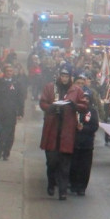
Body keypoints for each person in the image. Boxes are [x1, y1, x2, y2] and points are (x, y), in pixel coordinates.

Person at [39, 62, 87, 200]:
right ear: (59, 76)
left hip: (67, 130)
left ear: (70, 77)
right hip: (52, 128)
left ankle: (63, 191)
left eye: (67, 76)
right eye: (62, 75)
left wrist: (74, 105)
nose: (64, 78)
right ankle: (50, 183)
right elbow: (43, 102)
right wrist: (50, 108)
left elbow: (84, 105)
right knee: (52, 161)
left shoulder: (76, 90)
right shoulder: (50, 87)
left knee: (65, 164)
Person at [69, 84, 100, 196]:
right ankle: (73, 184)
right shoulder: (76, 110)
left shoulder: (92, 111)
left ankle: (82, 187)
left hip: (87, 144)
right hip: (75, 143)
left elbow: (95, 126)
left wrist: (84, 128)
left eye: (87, 98)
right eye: (84, 98)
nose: (85, 100)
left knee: (85, 167)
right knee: (73, 165)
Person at [0, 62, 25, 160]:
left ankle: (6, 153)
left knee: (10, 134)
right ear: (4, 72)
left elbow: (20, 99)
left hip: (11, 113)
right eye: (7, 71)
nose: (9, 73)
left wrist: (20, 113)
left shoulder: (17, 84)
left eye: (11, 71)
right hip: (0, 113)